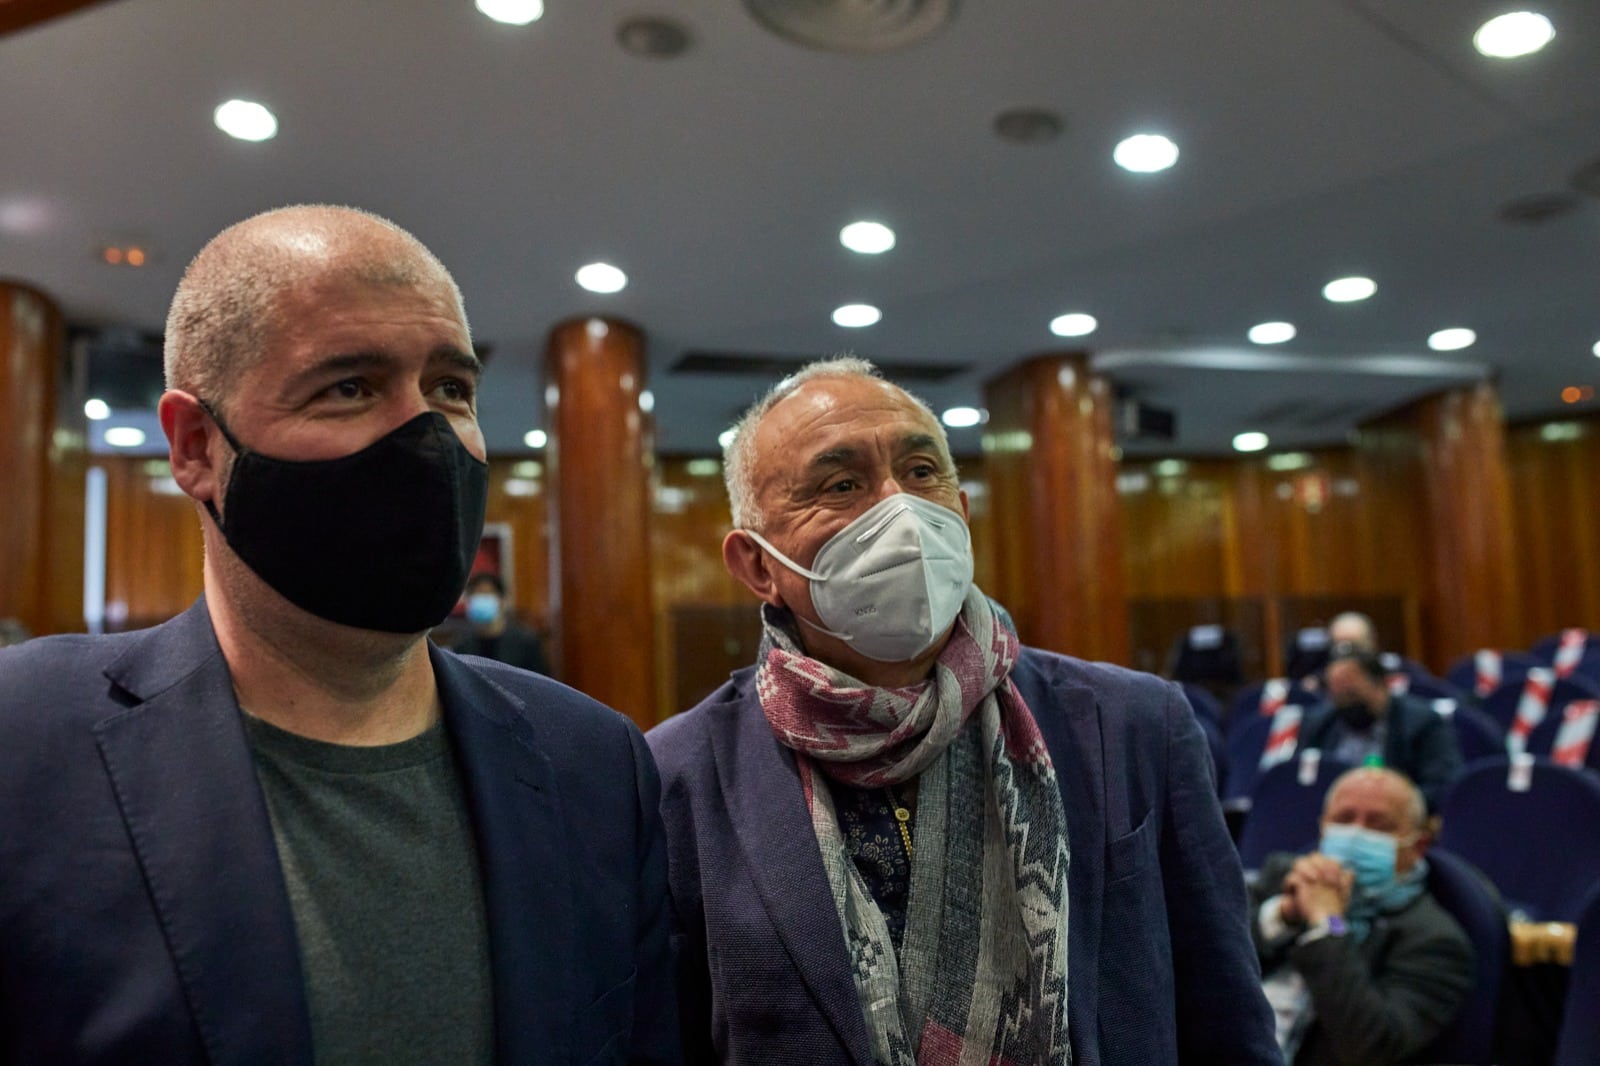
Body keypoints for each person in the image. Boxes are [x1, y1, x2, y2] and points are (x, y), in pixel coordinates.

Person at [0, 205, 677, 1065]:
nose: (426, 437)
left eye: (451, 389)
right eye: (349, 387)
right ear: (198, 446)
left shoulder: (594, 764)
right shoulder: (23, 745)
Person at [647, 358, 1278, 1064]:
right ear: (757, 565)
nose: (900, 510)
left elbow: (1227, 1019)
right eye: (843, 484)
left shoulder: (1134, 725)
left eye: (922, 473)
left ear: (961, 510)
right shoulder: (677, 776)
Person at [1252, 766, 1474, 1065]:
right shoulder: (1283, 877)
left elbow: (1369, 1045)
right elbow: (1209, 971)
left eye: (1378, 825)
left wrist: (1326, 927)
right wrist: (1284, 915)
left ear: (1417, 846)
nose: (1356, 833)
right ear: (1323, 828)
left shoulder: (1436, 941)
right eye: (1344, 819)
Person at [1300, 645, 1463, 810]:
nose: (1345, 705)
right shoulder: (1320, 723)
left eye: (1352, 694)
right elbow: (1303, 781)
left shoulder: (1423, 723)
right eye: (1337, 696)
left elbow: (1441, 786)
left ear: (1382, 685)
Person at [455, 571, 551, 675]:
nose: (480, 599)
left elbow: (540, 681)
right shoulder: (461, 643)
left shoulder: (526, 641)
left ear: (503, 601)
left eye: (486, 594)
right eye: (475, 595)